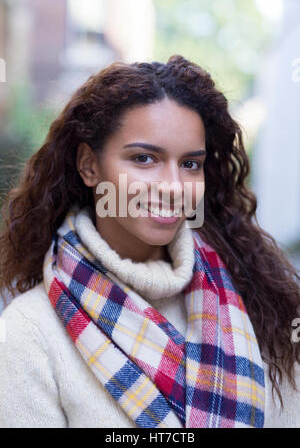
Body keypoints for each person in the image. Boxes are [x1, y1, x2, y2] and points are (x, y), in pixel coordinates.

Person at [0, 54, 299, 428]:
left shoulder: (261, 302)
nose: (173, 187)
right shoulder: (30, 332)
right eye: (144, 158)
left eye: (190, 164)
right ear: (89, 166)